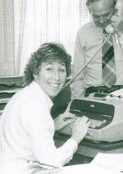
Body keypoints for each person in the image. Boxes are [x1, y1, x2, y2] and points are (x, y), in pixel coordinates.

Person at [0, 43, 90, 173]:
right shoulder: (36, 107)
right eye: (49, 69)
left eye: (61, 70)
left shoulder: (23, 96)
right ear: (36, 73)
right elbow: (52, 163)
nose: (57, 77)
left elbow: (29, 133)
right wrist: (75, 138)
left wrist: (53, 125)